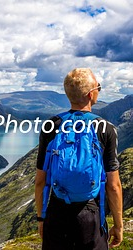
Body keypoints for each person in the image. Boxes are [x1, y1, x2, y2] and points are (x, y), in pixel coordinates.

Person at [35, 68, 123, 250]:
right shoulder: (105, 129)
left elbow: (40, 181)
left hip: (57, 212)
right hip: (90, 215)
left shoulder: (51, 125)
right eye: (99, 87)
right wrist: (118, 225)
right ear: (91, 94)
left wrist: (41, 218)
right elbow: (113, 185)